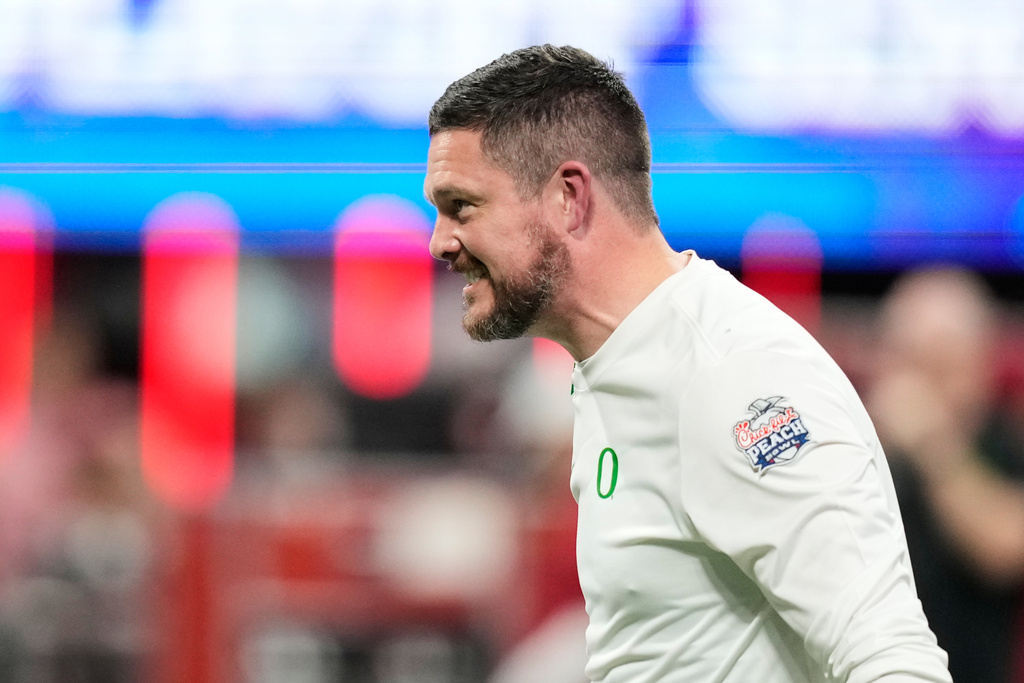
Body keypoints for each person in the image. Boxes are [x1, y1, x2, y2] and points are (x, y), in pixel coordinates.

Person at [424, 44, 951, 682]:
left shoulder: (737, 377)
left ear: (568, 196)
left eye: (462, 206)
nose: (439, 242)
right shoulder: (617, 362)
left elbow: (893, 659)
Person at [867, 267, 1024, 683]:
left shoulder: (1006, 443)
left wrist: (933, 442)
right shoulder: (859, 450)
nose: (926, 386)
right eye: (913, 363)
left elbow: (1004, 548)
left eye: (944, 364)